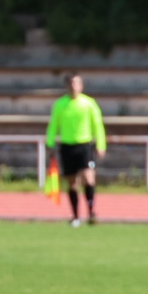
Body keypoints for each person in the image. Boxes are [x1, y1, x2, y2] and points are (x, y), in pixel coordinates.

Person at [44, 73, 106, 227]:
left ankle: (91, 212)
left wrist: (101, 144)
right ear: (67, 86)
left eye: (77, 83)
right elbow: (53, 125)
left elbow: (97, 125)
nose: (74, 87)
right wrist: (49, 143)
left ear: (81, 85)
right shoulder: (60, 104)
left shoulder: (89, 103)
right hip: (67, 146)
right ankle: (76, 216)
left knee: (89, 178)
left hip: (85, 145)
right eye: (71, 83)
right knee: (72, 183)